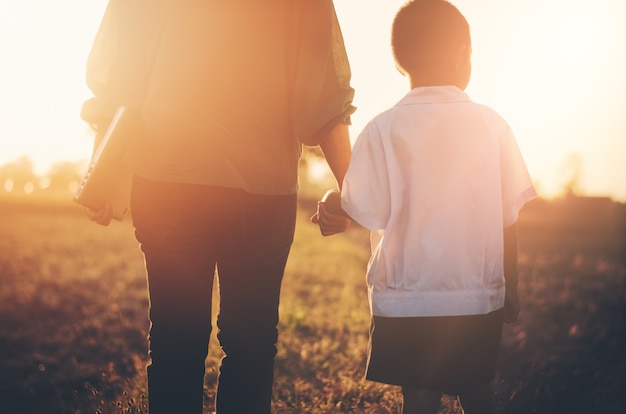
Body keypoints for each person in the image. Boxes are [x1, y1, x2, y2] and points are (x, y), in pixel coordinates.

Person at [81, 1, 355, 413]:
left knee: (175, 343)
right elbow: (323, 95)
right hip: (260, 187)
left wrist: (98, 168)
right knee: (251, 348)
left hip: (167, 176)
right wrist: (352, 192)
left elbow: (119, 72)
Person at [313, 1, 536, 413]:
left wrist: (331, 202)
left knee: (418, 396)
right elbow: (508, 218)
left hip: (407, 298)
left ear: (401, 64)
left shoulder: (382, 128)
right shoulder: (493, 127)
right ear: (462, 54)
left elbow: (359, 205)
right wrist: (512, 283)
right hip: (477, 296)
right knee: (477, 391)